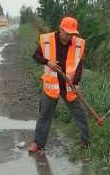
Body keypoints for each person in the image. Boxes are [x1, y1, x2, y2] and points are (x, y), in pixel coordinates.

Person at [29, 15, 89, 154]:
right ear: (60, 29)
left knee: (79, 113)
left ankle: (85, 142)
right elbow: (36, 56)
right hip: (51, 85)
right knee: (44, 115)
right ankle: (38, 144)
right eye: (67, 34)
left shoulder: (78, 44)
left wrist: (75, 82)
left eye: (72, 34)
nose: (69, 37)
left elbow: (79, 64)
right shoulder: (47, 41)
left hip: (69, 86)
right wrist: (47, 62)